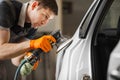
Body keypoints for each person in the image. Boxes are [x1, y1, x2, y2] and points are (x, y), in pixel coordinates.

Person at [0, 0, 58, 69]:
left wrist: (27, 59)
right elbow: (1, 51)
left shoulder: (32, 27)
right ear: (34, 5)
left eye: (49, 20)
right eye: (45, 16)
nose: (45, 23)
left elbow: (15, 59)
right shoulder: (5, 8)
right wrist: (32, 44)